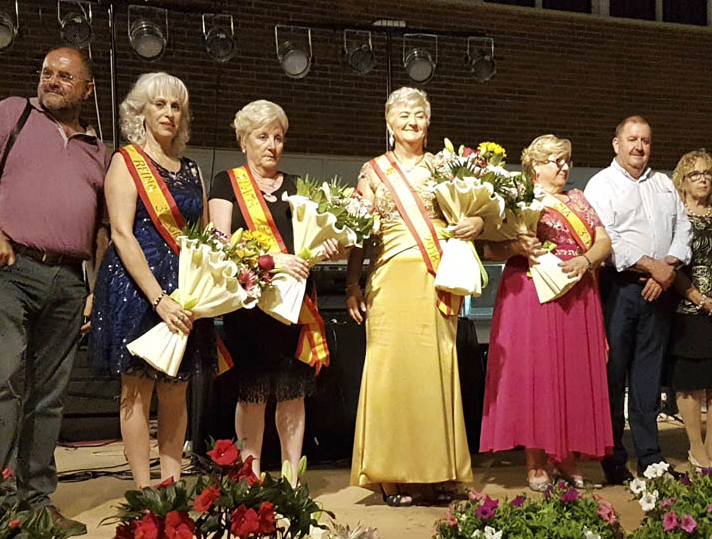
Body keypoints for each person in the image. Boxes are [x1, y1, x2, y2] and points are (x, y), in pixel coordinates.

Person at [0, 47, 109, 531]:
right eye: (46, 73)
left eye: (64, 75)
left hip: (68, 283)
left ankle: (36, 504)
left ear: (87, 88)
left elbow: (101, 232)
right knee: (2, 386)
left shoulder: (99, 149)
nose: (52, 81)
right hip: (9, 270)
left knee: (49, 396)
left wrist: (96, 289)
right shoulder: (12, 113)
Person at [346, 87, 480, 506]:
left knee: (434, 372)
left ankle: (438, 472)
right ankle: (390, 476)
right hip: (388, 282)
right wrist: (353, 283)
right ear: (388, 122)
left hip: (433, 280)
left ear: (429, 120)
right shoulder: (372, 172)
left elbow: (471, 212)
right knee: (390, 374)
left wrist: (475, 220)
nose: (411, 121)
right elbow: (359, 234)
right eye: (403, 114)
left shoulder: (447, 167)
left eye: (419, 114)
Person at [89, 72, 213, 488]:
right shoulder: (125, 161)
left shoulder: (192, 168)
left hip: (185, 289)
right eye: (160, 104)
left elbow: (203, 235)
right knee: (137, 389)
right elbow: (121, 234)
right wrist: (159, 299)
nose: (169, 113)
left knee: (176, 390)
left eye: (176, 106)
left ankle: (171, 486)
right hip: (137, 289)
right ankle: (145, 489)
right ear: (140, 111)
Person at [208, 100, 339, 484]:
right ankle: (249, 478)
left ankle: (291, 479)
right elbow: (220, 245)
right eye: (262, 136)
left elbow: (313, 244)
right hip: (249, 306)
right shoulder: (225, 183)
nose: (271, 145)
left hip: (294, 307)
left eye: (278, 137)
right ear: (243, 141)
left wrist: (326, 247)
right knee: (251, 394)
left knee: (291, 392)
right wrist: (273, 261)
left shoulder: (299, 187)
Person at [480, 135, 613, 491]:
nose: (564, 167)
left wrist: (587, 260)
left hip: (577, 295)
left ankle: (566, 456)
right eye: (555, 160)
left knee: (571, 373)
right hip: (531, 295)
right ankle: (537, 459)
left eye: (567, 160)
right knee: (536, 374)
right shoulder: (517, 198)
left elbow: (604, 241)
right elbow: (489, 250)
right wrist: (516, 245)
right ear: (535, 166)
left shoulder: (578, 199)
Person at [585, 115, 692, 482]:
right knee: (614, 377)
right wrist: (652, 268)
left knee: (648, 379)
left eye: (645, 140)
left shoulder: (663, 184)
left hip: (659, 290)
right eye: (631, 139)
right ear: (617, 144)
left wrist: (667, 268)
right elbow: (609, 239)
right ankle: (613, 459)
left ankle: (651, 459)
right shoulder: (601, 185)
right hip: (621, 288)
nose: (638, 147)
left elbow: (684, 228)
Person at [666, 150, 712, 474]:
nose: (703, 179)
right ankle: (696, 449)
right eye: (695, 174)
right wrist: (697, 298)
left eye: (708, 174)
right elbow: (672, 263)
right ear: (682, 181)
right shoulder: (676, 217)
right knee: (691, 384)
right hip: (687, 310)